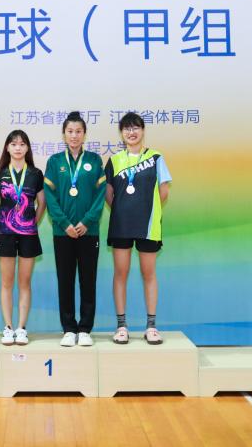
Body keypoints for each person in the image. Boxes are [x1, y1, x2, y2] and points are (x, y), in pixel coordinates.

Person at [104, 112, 172, 345]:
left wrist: (146, 209)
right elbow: (109, 194)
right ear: (121, 133)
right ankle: (121, 326)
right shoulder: (114, 160)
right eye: (127, 128)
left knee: (148, 273)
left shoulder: (156, 157)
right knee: (120, 273)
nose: (131, 132)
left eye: (135, 128)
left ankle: (151, 326)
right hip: (121, 225)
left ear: (142, 131)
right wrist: (123, 210)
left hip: (148, 226)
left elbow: (164, 191)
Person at [44, 112, 105, 347]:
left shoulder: (95, 160)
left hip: (89, 232)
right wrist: (65, 224)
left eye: (78, 131)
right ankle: (69, 328)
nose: (74, 135)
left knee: (88, 281)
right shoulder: (55, 162)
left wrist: (87, 221)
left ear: (84, 134)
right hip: (63, 233)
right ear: (64, 134)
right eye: (70, 131)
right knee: (65, 280)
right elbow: (50, 198)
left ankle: (85, 329)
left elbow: (100, 196)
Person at [0, 130, 46, 346]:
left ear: (27, 148)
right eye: (13, 144)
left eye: (22, 144)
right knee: (6, 282)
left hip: (28, 234)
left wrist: (31, 223)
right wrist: (5, 224)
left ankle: (21, 328)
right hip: (4, 234)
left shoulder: (35, 174)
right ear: (7, 147)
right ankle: (8, 327)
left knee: (24, 282)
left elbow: (42, 203)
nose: (18, 148)